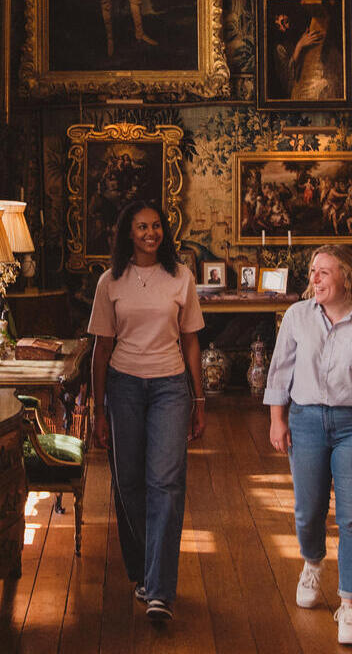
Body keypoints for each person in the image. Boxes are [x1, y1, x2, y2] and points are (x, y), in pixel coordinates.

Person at [265, 245, 352, 647]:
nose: (315, 279)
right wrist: (278, 418)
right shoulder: (296, 317)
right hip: (305, 421)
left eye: (324, 272)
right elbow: (279, 371)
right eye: (313, 271)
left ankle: (349, 604)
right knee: (308, 511)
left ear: (346, 277)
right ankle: (311, 563)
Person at [87, 200, 206, 625]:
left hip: (171, 387)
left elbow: (191, 341)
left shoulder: (181, 277)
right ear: (128, 233)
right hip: (122, 387)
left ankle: (159, 590)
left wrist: (199, 398)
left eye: (156, 226)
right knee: (129, 483)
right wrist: (99, 409)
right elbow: (101, 349)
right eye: (141, 227)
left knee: (167, 484)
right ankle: (142, 569)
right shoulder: (110, 282)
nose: (150, 233)